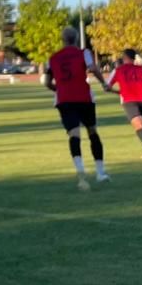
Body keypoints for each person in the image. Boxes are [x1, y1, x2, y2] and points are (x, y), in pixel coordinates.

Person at [45, 25, 112, 189]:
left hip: (64, 100)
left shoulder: (53, 58)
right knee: (92, 132)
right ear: (76, 39)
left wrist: (59, 89)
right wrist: (104, 83)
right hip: (83, 98)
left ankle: (81, 172)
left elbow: (47, 82)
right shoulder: (84, 53)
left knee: (74, 135)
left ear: (62, 40)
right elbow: (93, 68)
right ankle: (100, 172)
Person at [109, 49, 142, 158]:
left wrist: (119, 92)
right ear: (134, 58)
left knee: (137, 123)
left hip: (128, 100)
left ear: (124, 58)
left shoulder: (118, 70)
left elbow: (107, 86)